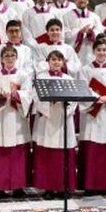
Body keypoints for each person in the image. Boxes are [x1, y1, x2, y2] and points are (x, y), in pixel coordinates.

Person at [0, 44, 32, 197]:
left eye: (12, 56)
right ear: (1, 59)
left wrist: (16, 95)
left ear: (16, 58)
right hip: (1, 117)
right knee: (2, 152)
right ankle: (1, 187)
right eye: (6, 56)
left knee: (18, 152)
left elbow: (28, 94)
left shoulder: (23, 76)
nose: (10, 59)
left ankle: (19, 186)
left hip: (17, 117)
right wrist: (0, 96)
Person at [31, 49, 79, 193]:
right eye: (53, 59)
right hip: (47, 119)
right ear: (48, 62)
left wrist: (65, 108)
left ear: (63, 62)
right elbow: (35, 97)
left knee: (63, 155)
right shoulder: (41, 78)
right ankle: (49, 188)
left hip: (63, 120)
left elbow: (74, 101)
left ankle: (63, 187)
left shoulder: (69, 79)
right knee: (48, 154)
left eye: (59, 59)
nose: (56, 62)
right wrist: (49, 103)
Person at [81, 39, 106, 193]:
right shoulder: (85, 70)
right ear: (93, 51)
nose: (101, 53)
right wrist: (97, 98)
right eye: (98, 49)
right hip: (92, 114)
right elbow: (83, 89)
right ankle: (90, 185)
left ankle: (105, 185)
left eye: (104, 50)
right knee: (92, 149)